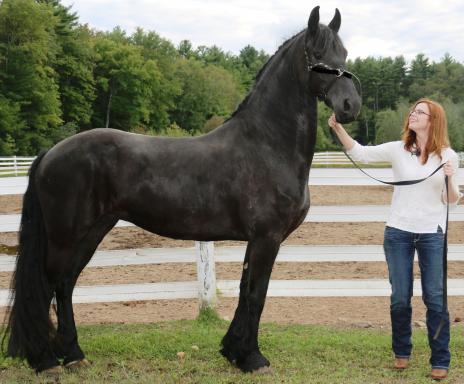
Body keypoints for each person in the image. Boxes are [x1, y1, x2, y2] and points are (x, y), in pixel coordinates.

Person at [328, 98, 461, 381]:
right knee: (400, 297)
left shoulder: (449, 156)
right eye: (412, 111)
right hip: (398, 231)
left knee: (435, 298)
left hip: (431, 233)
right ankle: (402, 352)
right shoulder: (399, 149)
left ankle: (440, 358)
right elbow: (361, 154)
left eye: (419, 112)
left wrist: (450, 178)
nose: (413, 114)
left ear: (433, 120)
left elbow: (451, 200)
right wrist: (338, 129)